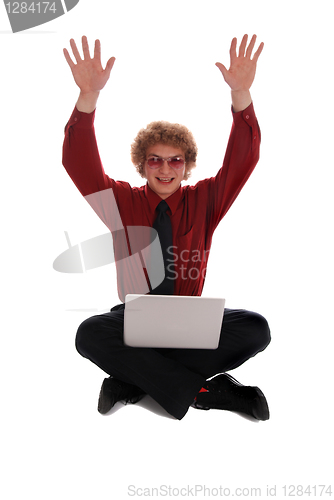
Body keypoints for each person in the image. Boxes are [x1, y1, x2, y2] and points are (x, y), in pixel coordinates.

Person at [62, 34, 271, 421]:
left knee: (256, 328)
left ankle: (132, 380)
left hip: (189, 321)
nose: (164, 168)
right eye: (154, 160)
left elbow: (243, 161)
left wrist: (241, 93)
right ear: (142, 164)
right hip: (133, 319)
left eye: (175, 161)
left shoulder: (206, 200)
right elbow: (78, 163)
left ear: (186, 165)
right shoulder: (121, 202)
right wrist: (87, 99)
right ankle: (206, 392)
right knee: (89, 333)